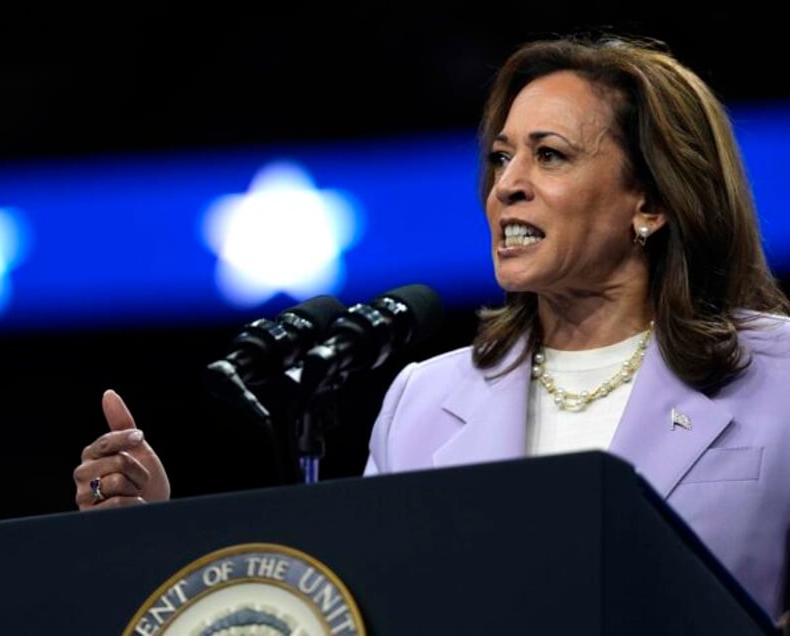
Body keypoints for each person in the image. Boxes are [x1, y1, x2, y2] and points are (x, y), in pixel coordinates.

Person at [72, 32, 790, 624]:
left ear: (652, 202)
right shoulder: (426, 399)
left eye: (550, 155)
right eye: (502, 156)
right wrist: (154, 532)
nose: (507, 182)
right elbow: (354, 610)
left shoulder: (776, 376)